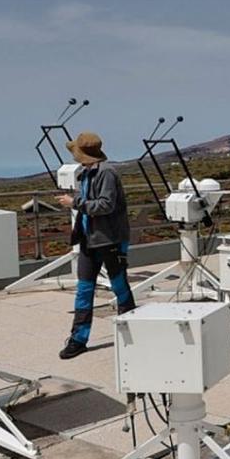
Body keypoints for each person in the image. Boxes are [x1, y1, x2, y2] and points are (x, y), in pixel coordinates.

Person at [56, 132, 136, 359]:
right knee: (84, 289)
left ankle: (133, 332)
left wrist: (75, 203)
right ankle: (78, 339)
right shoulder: (85, 173)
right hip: (89, 239)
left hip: (110, 239)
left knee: (119, 287)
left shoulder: (107, 173)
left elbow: (106, 205)